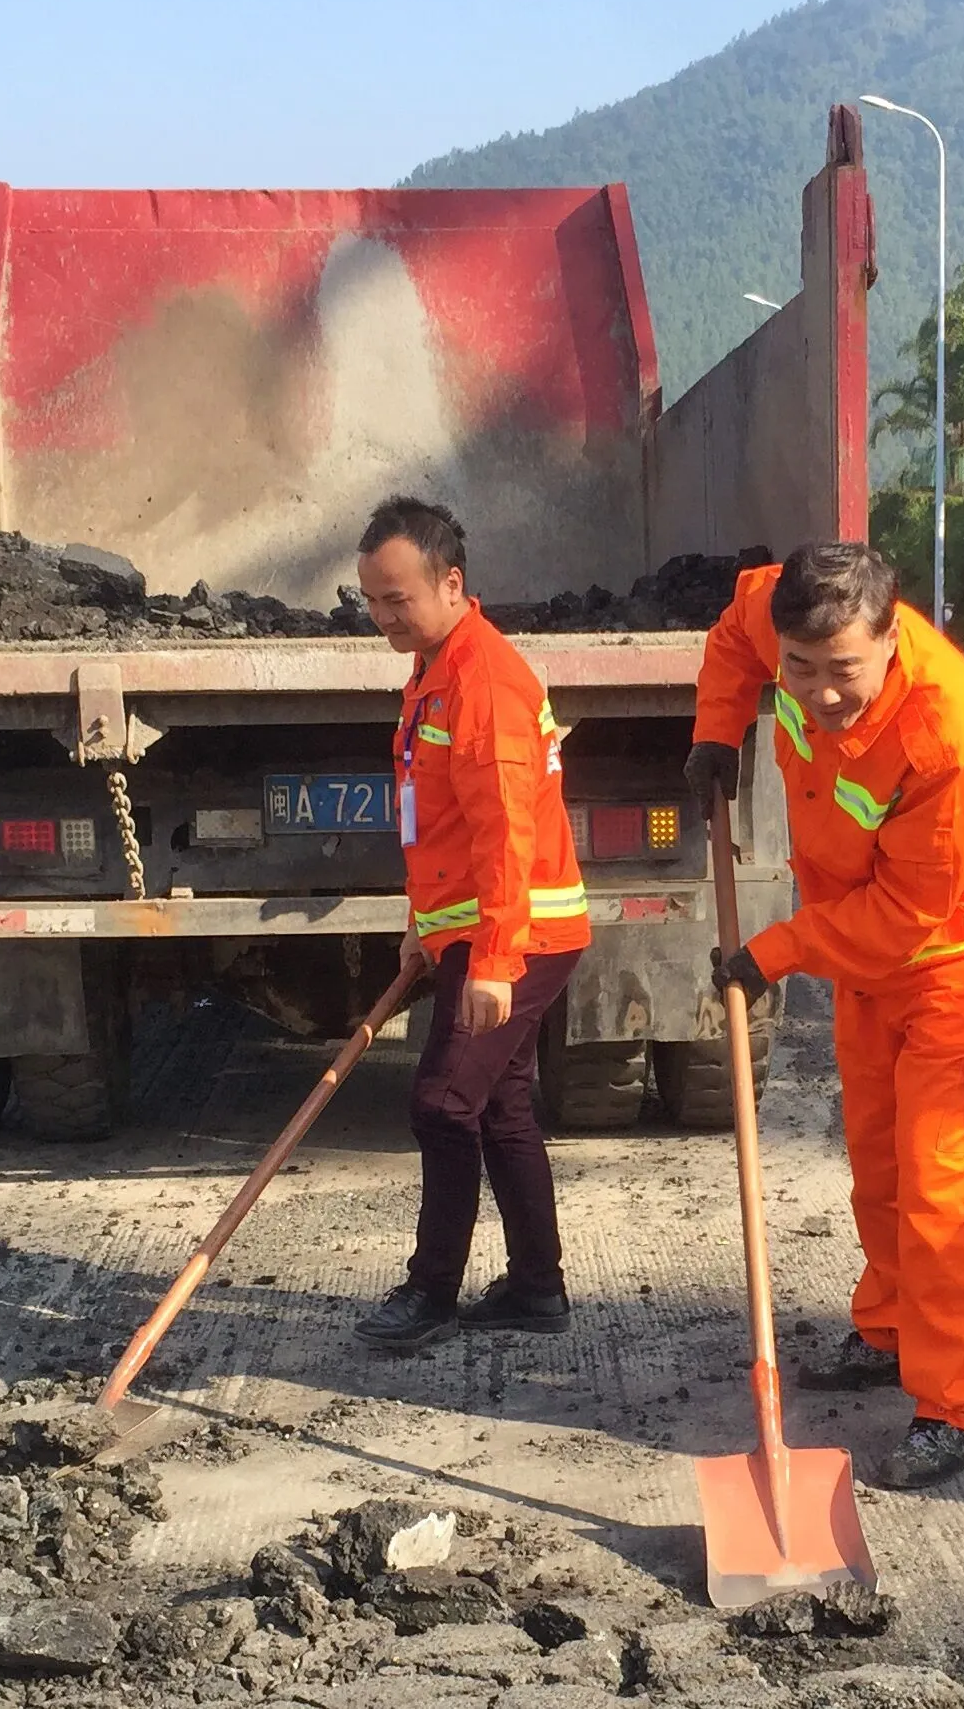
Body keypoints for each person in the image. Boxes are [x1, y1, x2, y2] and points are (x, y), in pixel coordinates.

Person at [685, 541, 964, 1489]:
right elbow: (733, 641)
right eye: (798, 669)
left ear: (890, 639)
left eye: (842, 671)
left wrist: (773, 951)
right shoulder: (781, 616)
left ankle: (950, 1400)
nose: (816, 693)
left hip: (962, 950)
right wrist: (716, 732)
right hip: (865, 939)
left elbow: (908, 916)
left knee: (937, 1180)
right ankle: (888, 1328)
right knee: (876, 1150)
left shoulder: (946, 733)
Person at [350, 496, 592, 1352]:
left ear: (452, 583)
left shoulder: (481, 679)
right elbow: (437, 821)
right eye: (371, 600)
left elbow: (504, 835)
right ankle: (536, 1287)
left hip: (520, 936)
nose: (382, 617)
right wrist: (424, 924)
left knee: (443, 1103)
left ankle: (430, 1291)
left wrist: (491, 960)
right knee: (499, 1108)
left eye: (397, 599)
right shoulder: (434, 668)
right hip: (478, 931)